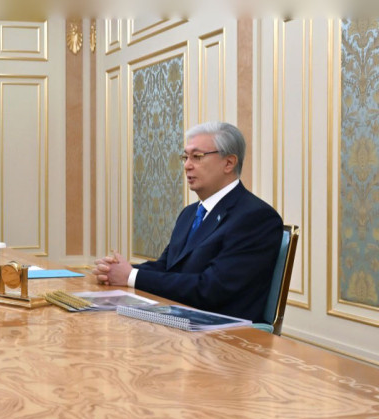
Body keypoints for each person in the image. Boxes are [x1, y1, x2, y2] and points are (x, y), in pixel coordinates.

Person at [93, 122, 282, 323]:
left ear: (229, 163)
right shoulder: (190, 213)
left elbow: (211, 289)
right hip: (180, 320)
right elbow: (166, 267)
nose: (187, 165)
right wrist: (115, 271)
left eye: (197, 157)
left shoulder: (255, 217)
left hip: (222, 332)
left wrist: (131, 276)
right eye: (185, 157)